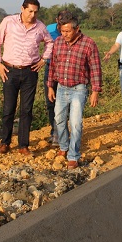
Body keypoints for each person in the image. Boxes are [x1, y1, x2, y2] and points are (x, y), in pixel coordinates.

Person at [0, 0, 53, 156]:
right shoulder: (9, 22)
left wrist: (44, 59)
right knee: (8, 108)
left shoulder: (40, 27)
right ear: (22, 9)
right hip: (9, 70)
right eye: (30, 11)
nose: (32, 15)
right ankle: (5, 142)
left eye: (35, 12)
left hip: (30, 71)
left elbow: (49, 43)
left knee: (27, 109)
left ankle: (23, 145)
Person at [47, 12, 102, 169]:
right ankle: (63, 147)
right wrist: (50, 86)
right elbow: (53, 66)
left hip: (79, 89)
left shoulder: (88, 44)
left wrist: (95, 91)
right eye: (62, 31)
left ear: (77, 29)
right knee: (59, 120)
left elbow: (95, 68)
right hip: (61, 88)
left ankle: (73, 155)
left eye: (68, 31)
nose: (64, 35)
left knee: (76, 123)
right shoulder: (57, 42)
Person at [44, 10, 69, 146]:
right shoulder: (48, 29)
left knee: (63, 103)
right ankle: (54, 130)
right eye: (61, 21)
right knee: (50, 102)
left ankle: (60, 134)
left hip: (66, 70)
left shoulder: (72, 31)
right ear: (57, 20)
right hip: (50, 68)